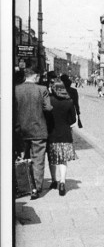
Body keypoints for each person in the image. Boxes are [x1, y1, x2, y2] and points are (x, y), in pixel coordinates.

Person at [14, 68, 53, 199]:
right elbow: (48, 108)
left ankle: (22, 186)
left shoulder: (16, 89)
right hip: (38, 130)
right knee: (38, 160)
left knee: (22, 158)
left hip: (20, 131)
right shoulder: (42, 89)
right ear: (36, 76)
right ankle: (35, 188)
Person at [47, 79, 78, 196]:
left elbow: (47, 116)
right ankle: (62, 182)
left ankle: (54, 180)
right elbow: (73, 120)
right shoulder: (69, 101)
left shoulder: (50, 100)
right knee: (63, 159)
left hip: (52, 134)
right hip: (65, 134)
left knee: (52, 158)